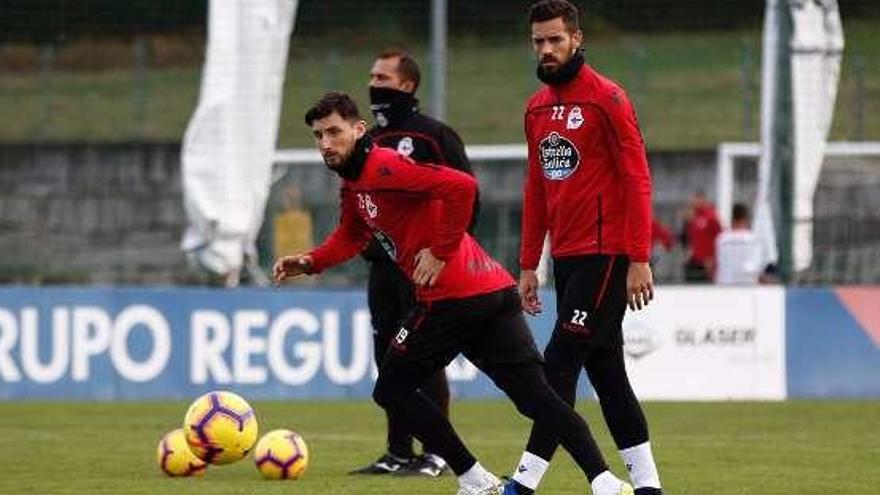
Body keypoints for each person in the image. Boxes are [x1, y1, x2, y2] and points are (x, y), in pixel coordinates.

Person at [274, 92, 634, 495]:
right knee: (537, 399)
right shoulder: (355, 182)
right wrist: (310, 261)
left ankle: (474, 478)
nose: (325, 143)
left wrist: (440, 251)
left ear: (359, 130)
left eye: (334, 132)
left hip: (451, 298)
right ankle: (607, 484)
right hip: (491, 291)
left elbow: (462, 186)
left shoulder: (385, 166)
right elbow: (352, 234)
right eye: (318, 135)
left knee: (391, 388)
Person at [503, 2, 663, 495]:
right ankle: (649, 486)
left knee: (558, 364)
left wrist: (638, 257)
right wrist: (530, 263)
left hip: (609, 253)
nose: (546, 50)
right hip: (569, 259)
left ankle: (524, 483)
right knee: (607, 371)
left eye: (555, 40)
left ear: (576, 38)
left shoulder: (608, 98)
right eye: (538, 42)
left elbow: (637, 178)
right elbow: (537, 189)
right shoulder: (535, 108)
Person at [350, 48, 476, 478]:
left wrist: (445, 253)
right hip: (382, 267)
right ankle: (397, 452)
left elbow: (467, 195)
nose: (374, 85)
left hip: (424, 269)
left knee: (424, 358)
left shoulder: (435, 137)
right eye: (371, 77)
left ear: (407, 85)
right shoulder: (367, 143)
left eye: (383, 78)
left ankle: (437, 453)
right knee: (387, 358)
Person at [715, 203, 765, 285]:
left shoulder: (721, 239)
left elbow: (719, 262)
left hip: (725, 284)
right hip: (747, 284)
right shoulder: (754, 239)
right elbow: (757, 266)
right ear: (745, 219)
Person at [681, 190, 721, 282]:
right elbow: (689, 239)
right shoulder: (692, 217)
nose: (694, 202)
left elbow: (718, 238)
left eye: (697, 199)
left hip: (706, 262)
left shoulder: (711, 216)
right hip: (694, 259)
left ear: (703, 200)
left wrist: (712, 258)